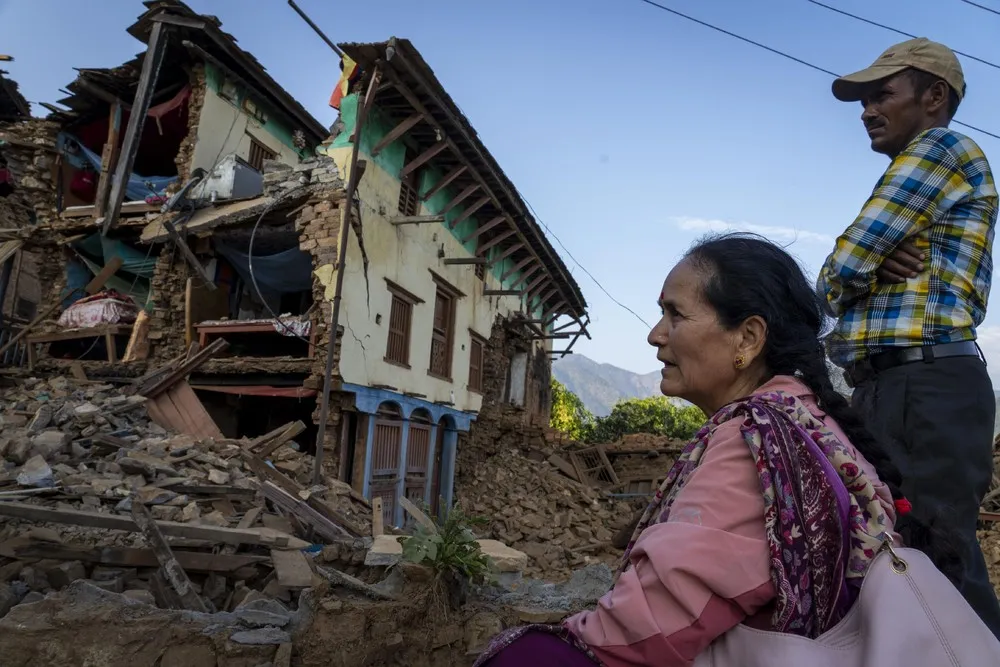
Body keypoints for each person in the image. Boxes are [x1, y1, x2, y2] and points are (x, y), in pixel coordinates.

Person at [473, 234, 962, 667]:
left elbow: (640, 632)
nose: (655, 334)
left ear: (747, 338)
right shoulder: (809, 419)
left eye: (675, 314)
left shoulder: (753, 440)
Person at [816, 37, 1000, 635]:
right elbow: (847, 272)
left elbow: (842, 265)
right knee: (903, 556)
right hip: (899, 382)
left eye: (882, 94)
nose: (866, 109)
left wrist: (857, 270)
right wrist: (860, 268)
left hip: (923, 384)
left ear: (934, 96)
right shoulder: (924, 166)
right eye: (862, 99)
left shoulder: (939, 147)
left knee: (937, 558)